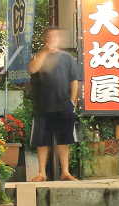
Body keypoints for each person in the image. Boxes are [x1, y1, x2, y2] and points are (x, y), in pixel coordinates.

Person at [28, 27, 81, 182]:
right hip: (42, 105)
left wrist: (73, 101)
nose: (52, 39)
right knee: (42, 140)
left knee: (64, 139)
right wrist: (44, 53)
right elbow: (32, 69)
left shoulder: (67, 58)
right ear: (46, 39)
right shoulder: (39, 56)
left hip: (64, 104)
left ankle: (65, 171)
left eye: (55, 37)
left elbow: (74, 80)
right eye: (50, 37)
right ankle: (42, 172)